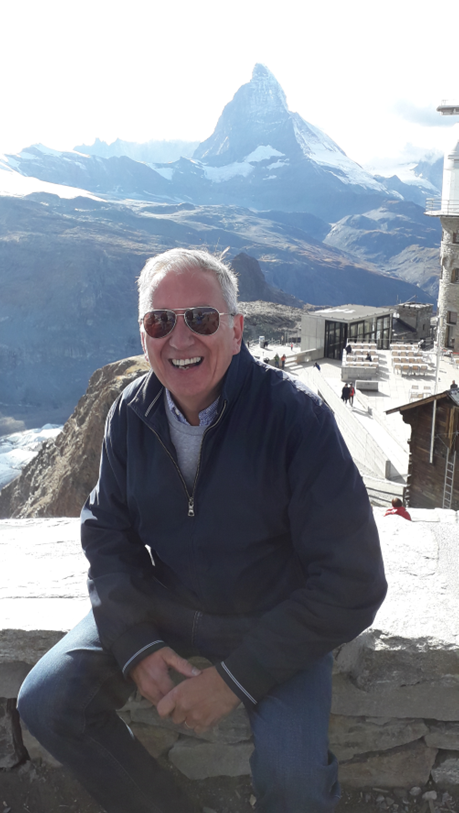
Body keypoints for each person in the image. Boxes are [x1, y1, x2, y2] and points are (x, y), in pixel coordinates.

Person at [18, 249, 387, 813]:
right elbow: (107, 531)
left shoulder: (297, 420)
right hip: (166, 606)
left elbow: (354, 580)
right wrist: (135, 643)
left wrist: (234, 680)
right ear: (144, 336)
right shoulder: (130, 414)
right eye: (160, 321)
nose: (180, 338)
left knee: (293, 781)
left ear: (237, 330)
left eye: (202, 319)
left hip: (272, 621)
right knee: (46, 701)